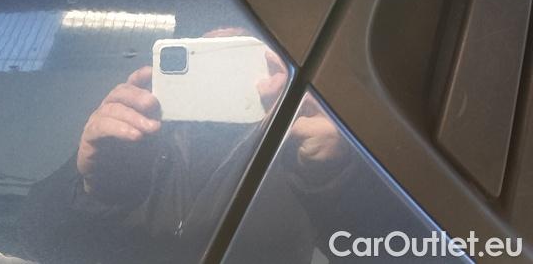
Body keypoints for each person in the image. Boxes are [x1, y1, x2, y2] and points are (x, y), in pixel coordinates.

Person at [18, 27, 354, 263]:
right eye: (204, 60)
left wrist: (332, 178)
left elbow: (372, 248)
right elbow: (32, 241)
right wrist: (94, 193)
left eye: (236, 60)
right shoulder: (132, 137)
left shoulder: (297, 149)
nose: (219, 79)